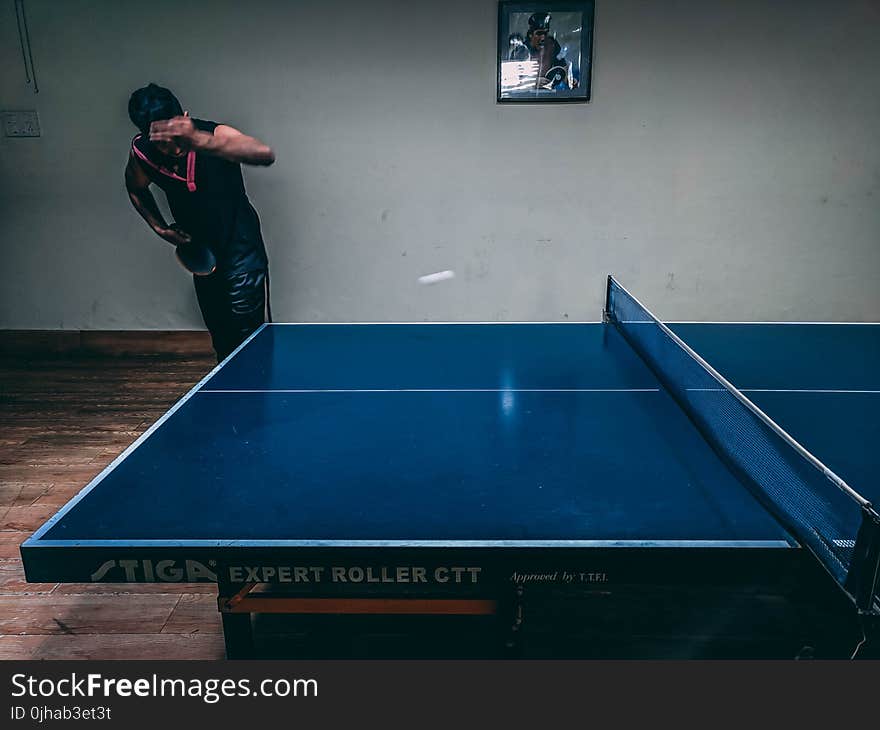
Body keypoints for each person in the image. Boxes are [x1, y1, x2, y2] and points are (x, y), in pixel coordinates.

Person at [124, 83, 276, 361]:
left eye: (175, 135)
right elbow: (136, 188)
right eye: (161, 140)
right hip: (204, 259)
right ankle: (232, 401)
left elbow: (263, 153)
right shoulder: (143, 153)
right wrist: (159, 227)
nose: (171, 147)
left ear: (184, 117)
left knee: (251, 343)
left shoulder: (215, 135)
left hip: (242, 254)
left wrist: (198, 140)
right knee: (223, 341)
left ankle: (259, 400)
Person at [508, 12, 574, 91]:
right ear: (530, 34)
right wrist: (532, 82)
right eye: (539, 33)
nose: (543, 38)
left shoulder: (552, 45)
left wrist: (570, 79)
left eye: (545, 33)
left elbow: (562, 66)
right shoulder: (521, 51)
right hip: (526, 94)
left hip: (550, 92)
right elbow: (511, 80)